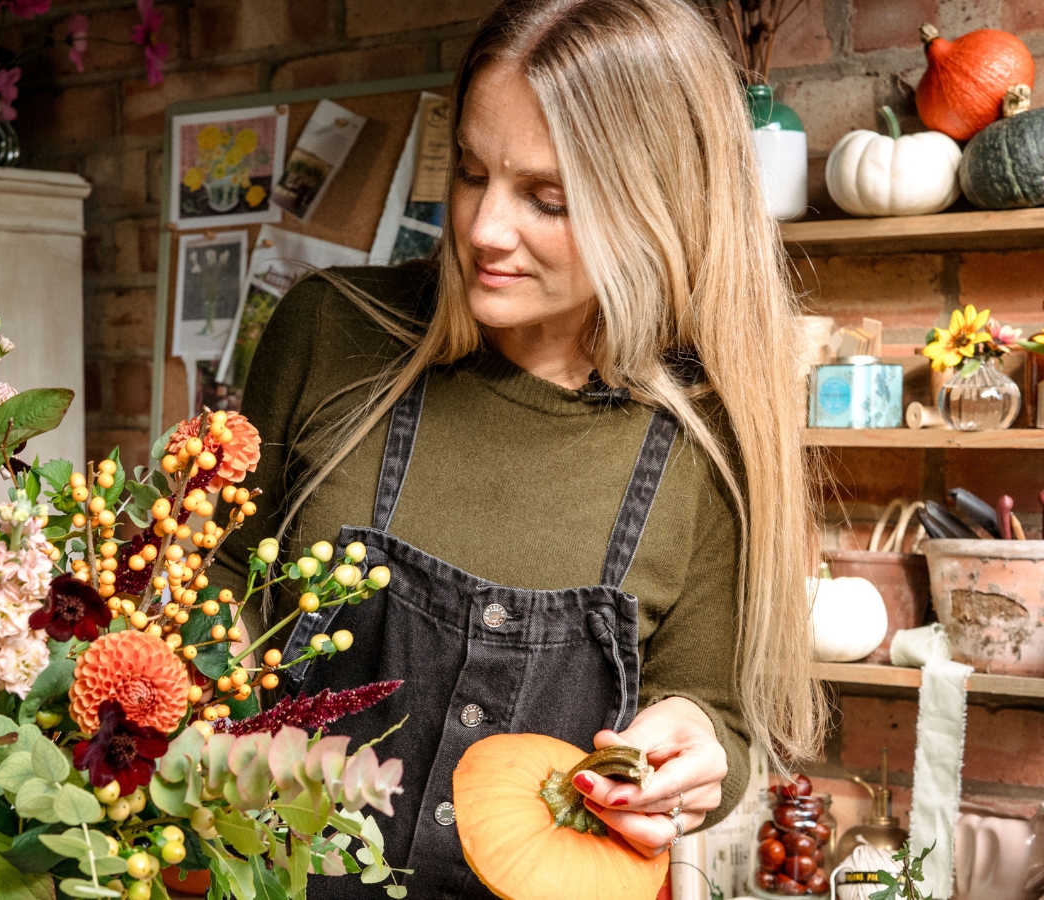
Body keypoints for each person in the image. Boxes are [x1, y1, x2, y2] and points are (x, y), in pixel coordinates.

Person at [212, 0, 825, 895]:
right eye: (470, 172)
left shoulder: (702, 434)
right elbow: (216, 582)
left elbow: (713, 715)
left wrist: (689, 750)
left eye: (549, 199)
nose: (485, 230)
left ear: (662, 209)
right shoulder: (330, 330)